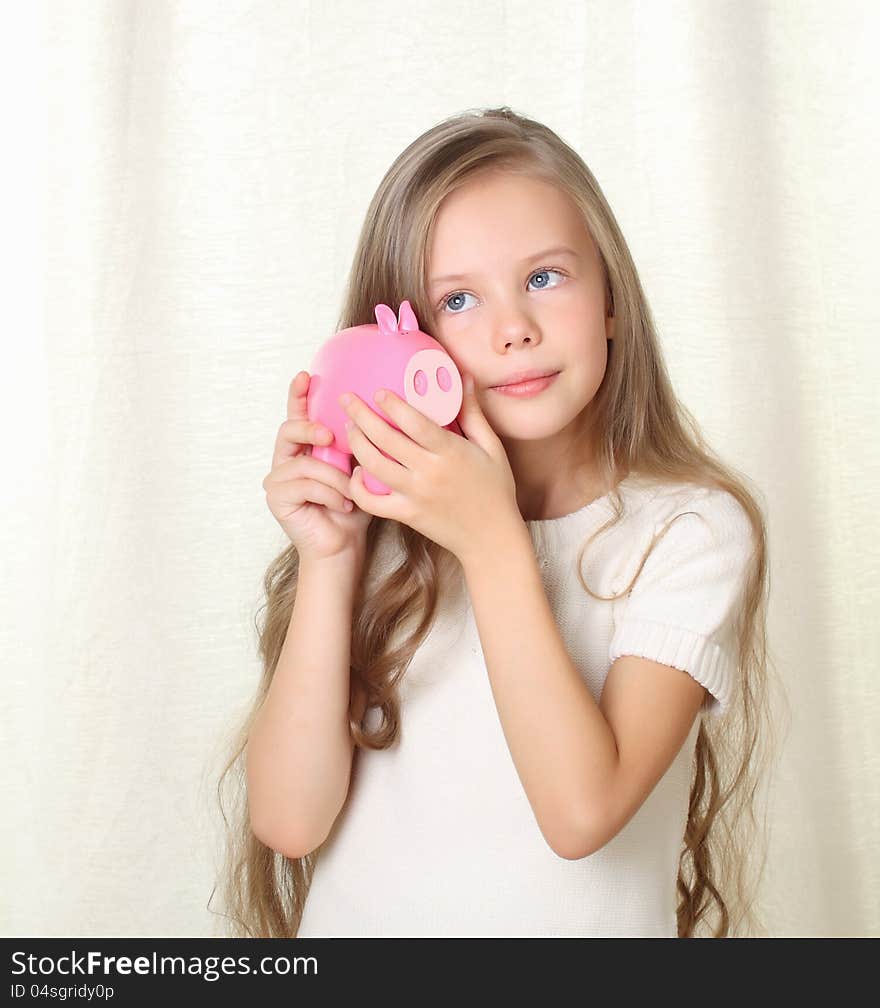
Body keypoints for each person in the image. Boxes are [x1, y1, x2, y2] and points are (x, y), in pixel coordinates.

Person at [211, 106, 781, 938]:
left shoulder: (689, 532)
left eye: (546, 277)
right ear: (401, 334)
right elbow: (291, 823)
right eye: (460, 300)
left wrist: (492, 542)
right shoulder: (383, 530)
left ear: (613, 298)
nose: (513, 329)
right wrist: (333, 559)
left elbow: (580, 814)